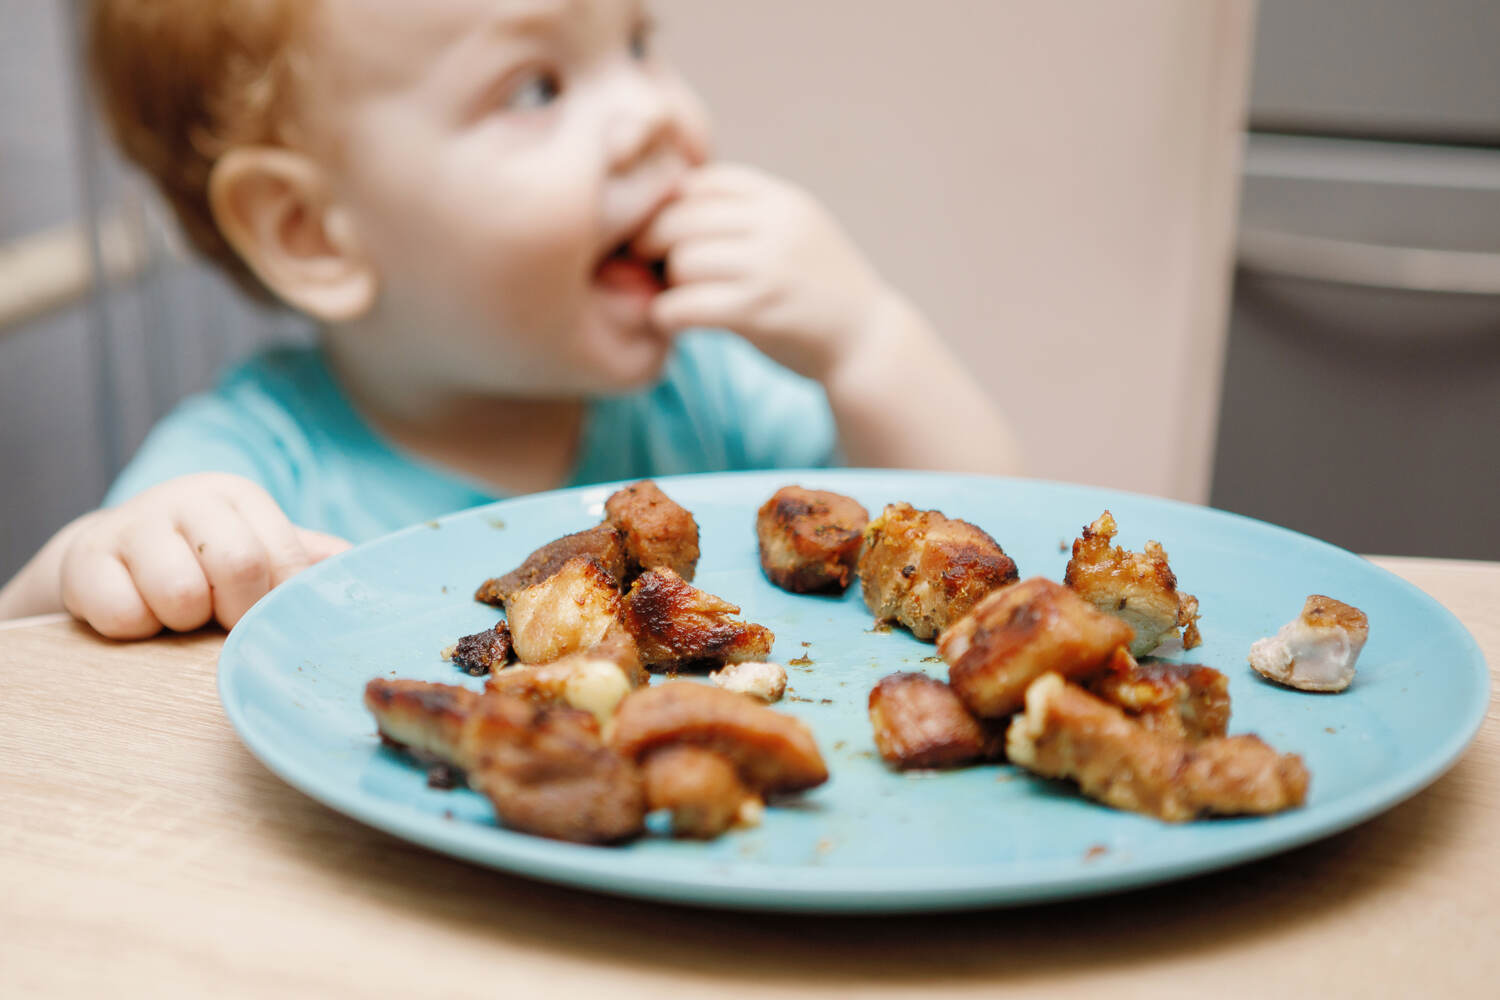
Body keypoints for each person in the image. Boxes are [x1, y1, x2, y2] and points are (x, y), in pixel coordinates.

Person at [0, 0, 1020, 638]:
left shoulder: (707, 398)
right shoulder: (253, 465)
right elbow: (42, 670)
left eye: (637, 39)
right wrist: (97, 563)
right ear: (313, 231)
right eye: (536, 86)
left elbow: (1000, 550)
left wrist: (869, 342)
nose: (658, 114)